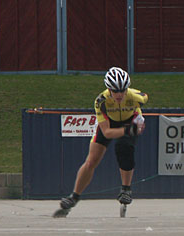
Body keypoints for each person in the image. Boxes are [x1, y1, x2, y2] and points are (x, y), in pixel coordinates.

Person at [53, 67, 148, 217]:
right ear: (108, 89)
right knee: (91, 161)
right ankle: (74, 196)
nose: (119, 94)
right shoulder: (101, 101)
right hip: (110, 124)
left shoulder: (135, 96)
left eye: (123, 90)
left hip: (130, 121)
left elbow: (144, 97)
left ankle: (126, 189)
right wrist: (127, 131)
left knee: (124, 147)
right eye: (115, 91)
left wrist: (139, 120)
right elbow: (107, 132)